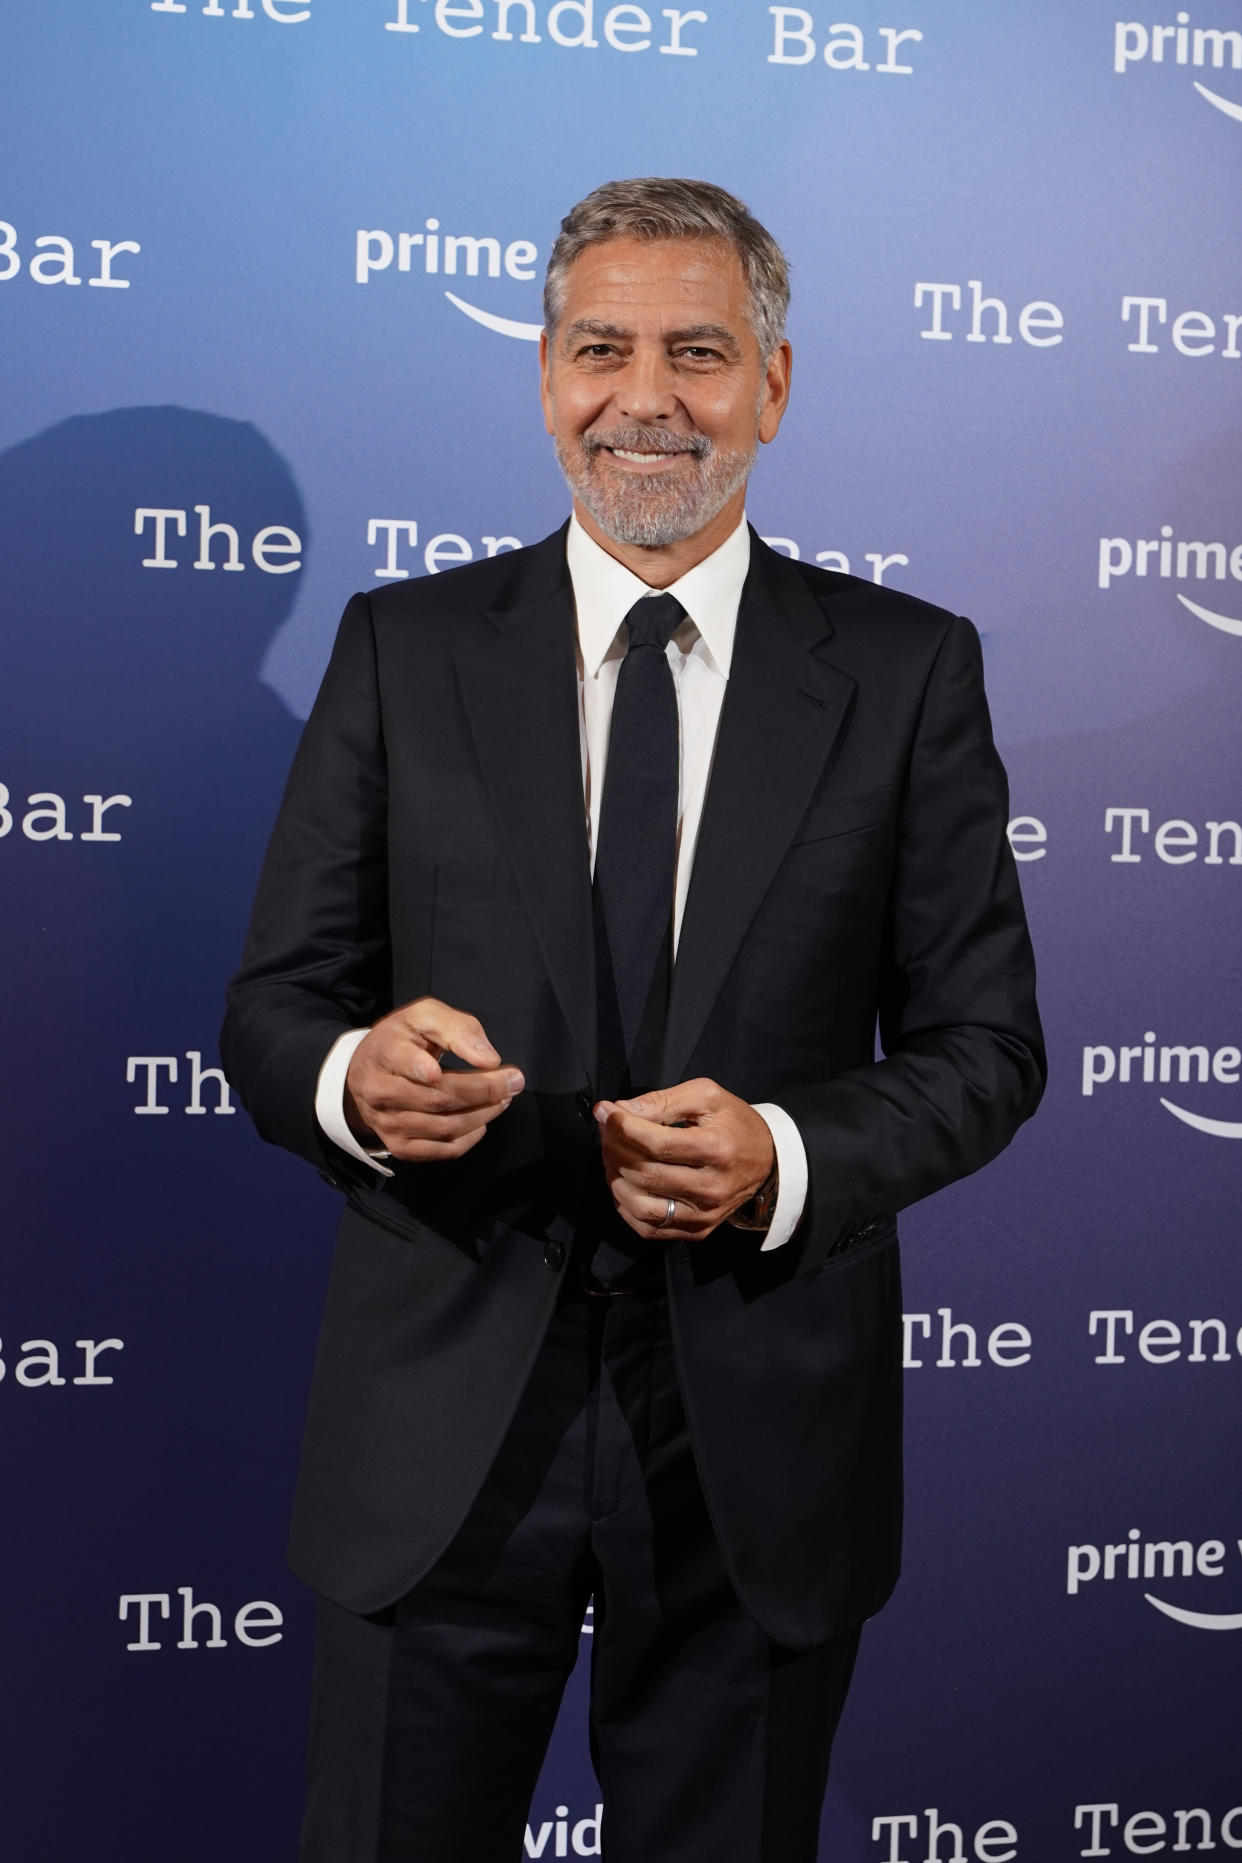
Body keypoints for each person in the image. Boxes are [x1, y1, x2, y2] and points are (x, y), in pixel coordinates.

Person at [221, 176, 1045, 1863]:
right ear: (544, 378)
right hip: (438, 1433)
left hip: (753, 1439)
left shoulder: (903, 671)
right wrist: (356, 1082)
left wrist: (788, 1152)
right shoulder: (405, 647)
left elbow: (988, 1045)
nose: (646, 397)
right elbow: (276, 1004)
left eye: (698, 351)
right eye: (601, 349)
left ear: (775, 385)